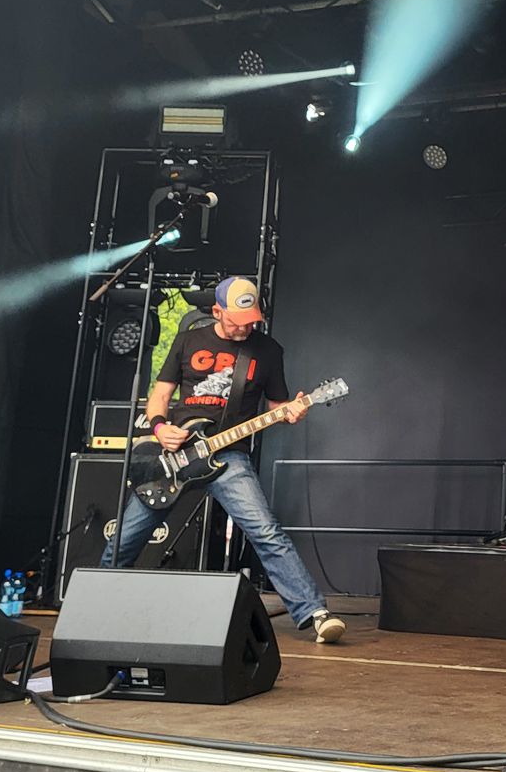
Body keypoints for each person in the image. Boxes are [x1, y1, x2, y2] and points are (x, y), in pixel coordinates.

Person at [101, 276, 345, 644]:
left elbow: (278, 407)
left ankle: (315, 612)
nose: (246, 327)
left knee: (266, 532)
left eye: (251, 320)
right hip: (175, 455)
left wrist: (294, 411)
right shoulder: (188, 340)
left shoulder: (267, 351)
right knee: (126, 537)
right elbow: (160, 395)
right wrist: (160, 428)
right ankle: (96, 605)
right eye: (237, 320)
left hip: (228, 456)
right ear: (217, 311)